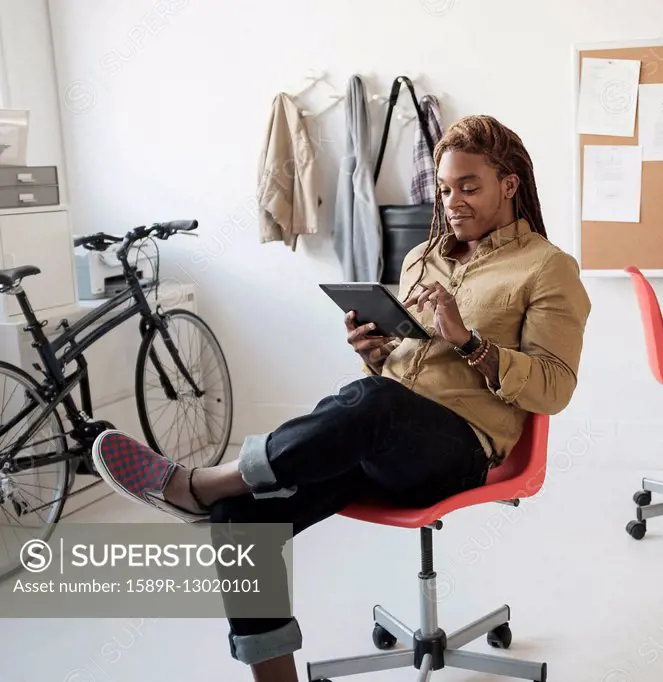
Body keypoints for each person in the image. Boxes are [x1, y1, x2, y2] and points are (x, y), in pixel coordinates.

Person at [91, 114, 592, 682]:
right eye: (446, 189)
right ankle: (267, 657)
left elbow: (555, 388)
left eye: (470, 187)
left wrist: (469, 342)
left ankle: (201, 483)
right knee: (244, 514)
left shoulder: (547, 268)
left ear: (509, 184)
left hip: (460, 450)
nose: (453, 202)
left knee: (372, 402)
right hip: (385, 434)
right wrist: (374, 350)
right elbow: (404, 360)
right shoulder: (420, 257)